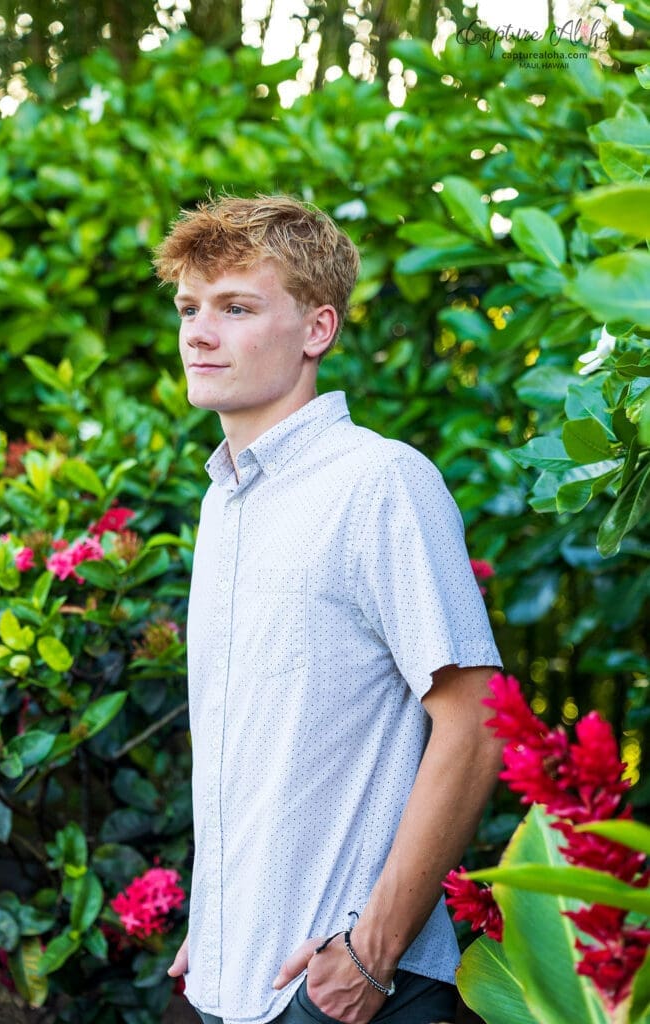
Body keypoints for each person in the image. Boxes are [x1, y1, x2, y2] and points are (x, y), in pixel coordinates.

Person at [153, 194, 504, 1024]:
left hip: (348, 992)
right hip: (236, 979)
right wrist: (220, 919)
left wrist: (371, 951)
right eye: (190, 308)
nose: (198, 333)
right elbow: (258, 742)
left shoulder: (378, 481)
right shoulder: (223, 502)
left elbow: (479, 718)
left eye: (235, 307)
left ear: (317, 330)